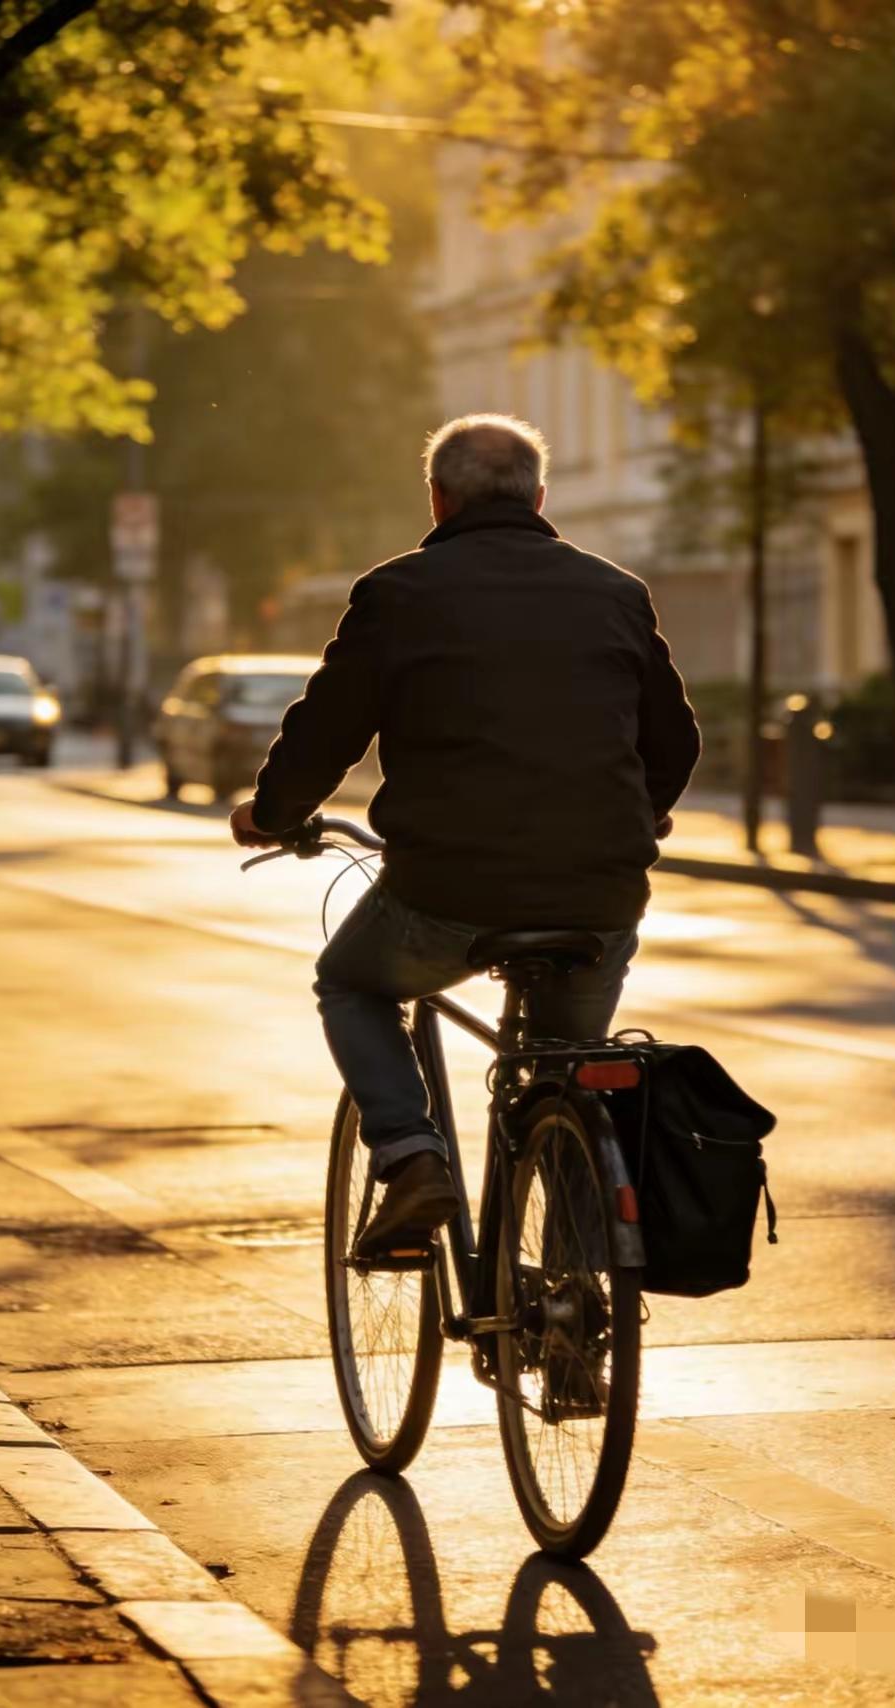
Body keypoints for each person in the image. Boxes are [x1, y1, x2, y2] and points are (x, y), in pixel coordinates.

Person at [231, 413, 700, 1254]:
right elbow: (675, 741)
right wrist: (642, 811)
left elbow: (325, 735)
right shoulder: (616, 592)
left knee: (351, 984)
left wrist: (271, 815)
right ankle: (582, 1290)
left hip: (445, 892)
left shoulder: (397, 593)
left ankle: (411, 1154)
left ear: (438, 499)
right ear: (539, 497)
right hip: (599, 893)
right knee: (569, 1066)